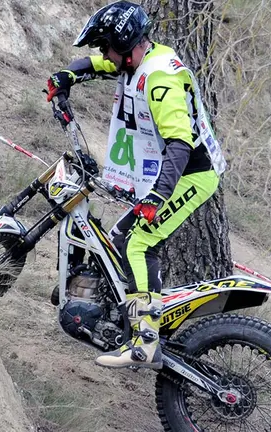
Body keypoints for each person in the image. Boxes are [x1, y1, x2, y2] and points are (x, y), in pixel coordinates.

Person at [46, 1, 226, 369]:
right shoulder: (140, 60)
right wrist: (67, 75)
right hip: (170, 170)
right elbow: (101, 65)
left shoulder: (160, 78)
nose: (102, 54)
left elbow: (180, 144)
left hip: (191, 172)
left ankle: (146, 341)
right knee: (119, 239)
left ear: (125, 44)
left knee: (139, 244)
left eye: (105, 46)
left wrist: (157, 198)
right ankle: (118, 319)